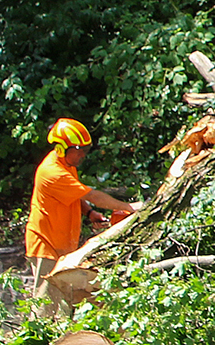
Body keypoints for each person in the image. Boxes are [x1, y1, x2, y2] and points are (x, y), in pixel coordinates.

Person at [26, 118, 136, 310]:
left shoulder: (67, 166)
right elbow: (94, 196)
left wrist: (89, 213)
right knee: (45, 305)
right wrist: (129, 207)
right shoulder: (52, 172)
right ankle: (36, 340)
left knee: (64, 303)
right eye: (81, 151)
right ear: (62, 148)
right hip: (47, 244)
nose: (84, 155)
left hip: (63, 244)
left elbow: (75, 195)